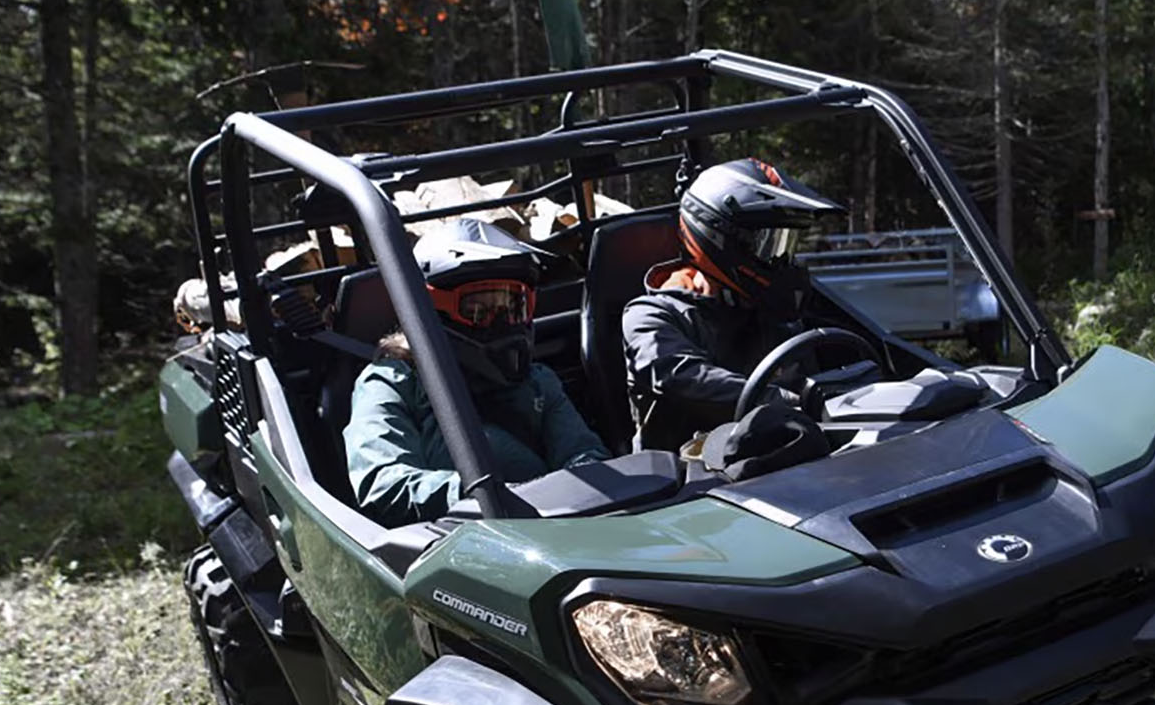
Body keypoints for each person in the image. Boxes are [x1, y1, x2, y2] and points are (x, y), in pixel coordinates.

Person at [345, 219, 607, 525]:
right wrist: (487, 495)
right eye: (479, 310)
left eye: (513, 305)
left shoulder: (537, 381)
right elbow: (383, 484)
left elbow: (585, 453)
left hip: (555, 530)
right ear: (430, 310)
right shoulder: (391, 383)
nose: (502, 322)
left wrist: (574, 485)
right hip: (453, 544)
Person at [622, 158, 845, 449]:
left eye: (785, 246)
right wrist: (788, 399)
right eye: (768, 245)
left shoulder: (768, 307)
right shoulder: (650, 315)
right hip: (687, 479)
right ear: (718, 237)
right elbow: (682, 379)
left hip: (782, 456)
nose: (779, 260)